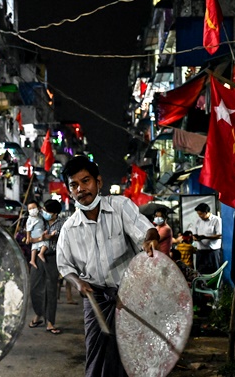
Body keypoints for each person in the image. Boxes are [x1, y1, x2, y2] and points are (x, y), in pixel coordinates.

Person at [56, 155, 160, 377]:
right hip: (96, 299)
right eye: (74, 184)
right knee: (96, 352)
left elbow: (146, 230)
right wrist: (78, 282)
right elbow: (64, 265)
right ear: (69, 190)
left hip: (129, 294)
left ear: (98, 182)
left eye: (86, 181)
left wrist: (151, 239)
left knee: (130, 352)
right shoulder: (69, 228)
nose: (81, 189)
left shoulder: (120, 206)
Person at [28, 199, 64, 334]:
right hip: (36, 257)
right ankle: (38, 314)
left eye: (48, 211)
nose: (45, 213)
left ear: (55, 214)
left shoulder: (61, 224)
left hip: (52, 258)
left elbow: (55, 239)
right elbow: (31, 237)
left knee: (50, 290)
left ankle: (50, 321)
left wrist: (46, 237)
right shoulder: (39, 221)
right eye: (44, 210)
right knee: (34, 287)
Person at [191, 203, 222, 274]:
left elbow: (219, 235)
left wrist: (205, 237)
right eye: (198, 214)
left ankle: (214, 285)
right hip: (200, 251)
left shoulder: (216, 220)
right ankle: (201, 285)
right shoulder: (197, 221)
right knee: (200, 273)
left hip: (212, 252)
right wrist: (195, 237)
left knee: (214, 273)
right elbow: (194, 234)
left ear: (206, 212)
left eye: (201, 214)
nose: (200, 216)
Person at [25, 200, 48, 269]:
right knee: (45, 243)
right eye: (30, 209)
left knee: (34, 247)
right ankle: (41, 253)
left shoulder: (40, 216)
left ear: (38, 208)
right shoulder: (29, 219)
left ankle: (32, 260)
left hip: (39, 233)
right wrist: (28, 238)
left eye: (33, 208)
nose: (32, 210)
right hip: (36, 233)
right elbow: (28, 229)